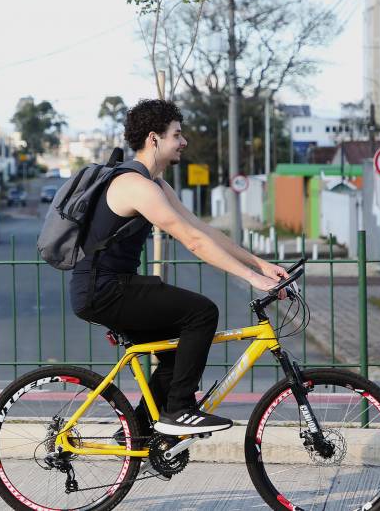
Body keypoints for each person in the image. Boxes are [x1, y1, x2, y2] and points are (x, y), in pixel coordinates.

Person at [71, 99, 287, 438]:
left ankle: (139, 431)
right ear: (154, 138)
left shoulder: (154, 183)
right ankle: (179, 411)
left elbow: (203, 230)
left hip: (114, 286)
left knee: (175, 350)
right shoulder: (135, 186)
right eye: (177, 134)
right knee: (200, 314)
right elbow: (193, 242)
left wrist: (261, 264)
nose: (183, 141)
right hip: (105, 289)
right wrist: (251, 279)